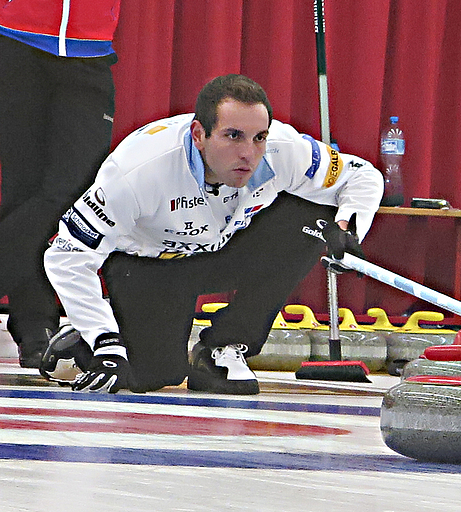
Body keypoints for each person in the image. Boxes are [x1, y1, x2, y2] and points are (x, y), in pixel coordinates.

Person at [41, 74, 383, 395]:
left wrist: (348, 229)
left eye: (259, 137)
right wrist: (105, 341)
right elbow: (66, 256)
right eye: (233, 136)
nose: (249, 153)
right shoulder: (136, 171)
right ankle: (92, 334)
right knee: (154, 375)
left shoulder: (283, 149)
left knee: (317, 214)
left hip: (226, 248)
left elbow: (362, 176)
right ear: (198, 134)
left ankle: (225, 346)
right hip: (151, 265)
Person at [0, 1, 121, 367]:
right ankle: (35, 326)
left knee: (72, 191)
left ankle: (36, 325)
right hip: (14, 38)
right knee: (24, 190)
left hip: (89, 47)